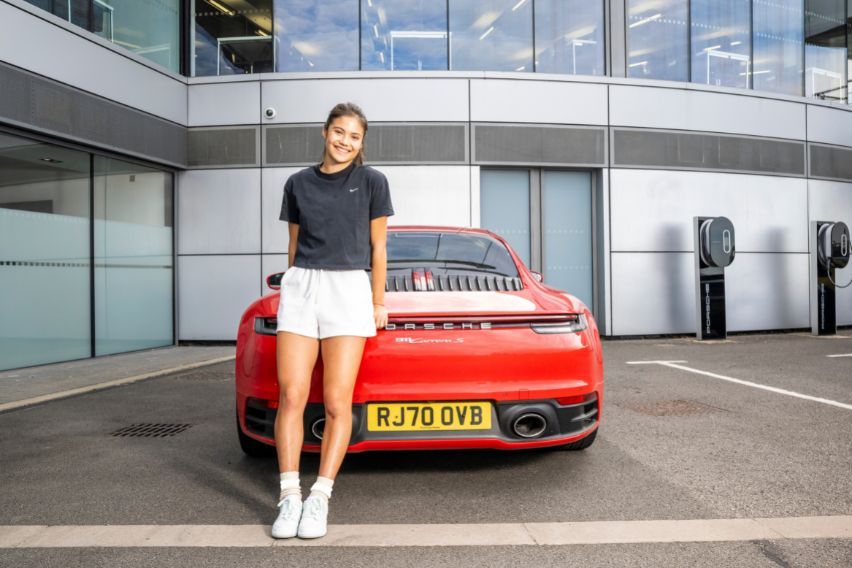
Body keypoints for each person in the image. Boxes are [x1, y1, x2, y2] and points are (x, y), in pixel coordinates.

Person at [271, 102, 394, 539]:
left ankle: (319, 497)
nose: (345, 141)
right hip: (303, 286)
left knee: (337, 402)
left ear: (361, 143)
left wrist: (378, 301)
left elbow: (379, 248)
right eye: (339, 132)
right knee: (292, 394)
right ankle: (289, 495)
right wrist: (290, 287)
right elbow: (294, 245)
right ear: (325, 132)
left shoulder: (372, 181)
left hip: (349, 289)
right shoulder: (297, 183)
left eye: (354, 137)